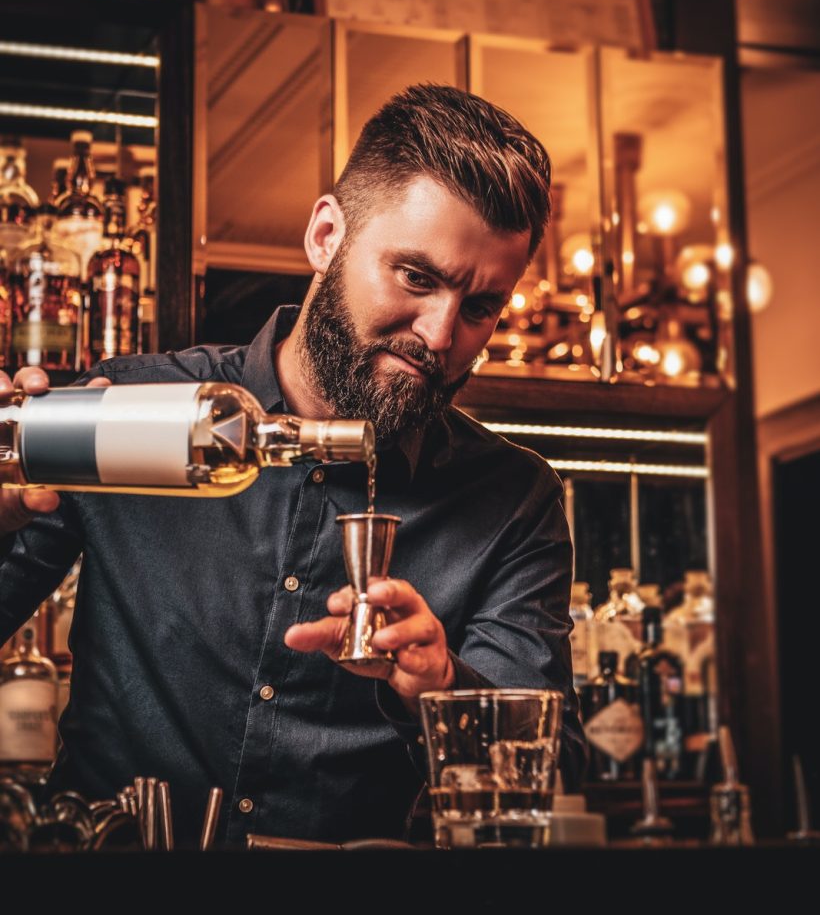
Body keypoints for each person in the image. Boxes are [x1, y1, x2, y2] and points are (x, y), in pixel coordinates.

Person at [0, 84, 586, 847]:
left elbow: (558, 778)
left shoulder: (512, 499)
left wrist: (441, 688)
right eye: (415, 277)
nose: (441, 335)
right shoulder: (132, 413)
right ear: (325, 236)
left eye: (480, 308)